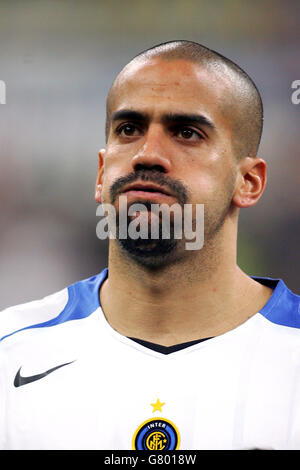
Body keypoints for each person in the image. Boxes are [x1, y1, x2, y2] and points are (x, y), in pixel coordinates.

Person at [0, 40, 299, 451]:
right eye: (129, 129)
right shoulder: (10, 353)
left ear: (248, 182)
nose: (148, 154)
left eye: (187, 133)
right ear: (101, 172)